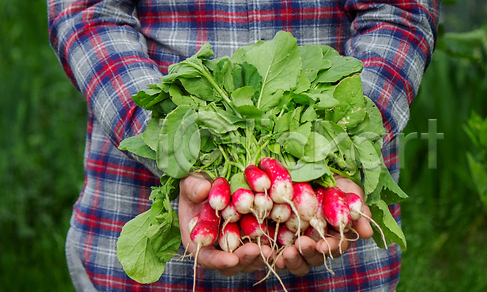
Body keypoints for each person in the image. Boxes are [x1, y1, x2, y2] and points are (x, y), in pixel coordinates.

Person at [48, 0, 439, 290]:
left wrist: (338, 147)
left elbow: (400, 13)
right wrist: (179, 149)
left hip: (336, 238)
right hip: (142, 213)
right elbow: (87, 11)